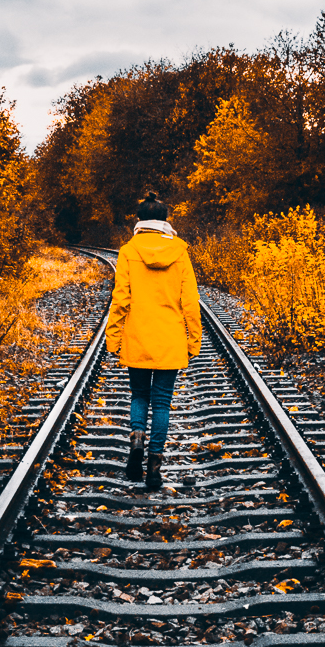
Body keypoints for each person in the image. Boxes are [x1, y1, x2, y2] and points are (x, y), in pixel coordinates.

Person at [105, 193, 202, 491]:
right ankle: (154, 466)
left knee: (138, 395)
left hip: (138, 335)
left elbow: (120, 297)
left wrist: (114, 336)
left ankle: (136, 439)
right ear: (164, 220)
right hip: (169, 337)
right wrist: (193, 339)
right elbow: (191, 301)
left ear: (139, 221)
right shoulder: (180, 252)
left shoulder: (128, 251)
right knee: (161, 402)